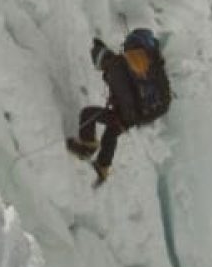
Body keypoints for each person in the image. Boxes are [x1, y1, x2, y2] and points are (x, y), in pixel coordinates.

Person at [67, 31, 170, 187]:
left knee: (88, 114)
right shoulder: (130, 63)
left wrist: (124, 117)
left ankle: (87, 147)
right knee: (111, 132)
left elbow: (125, 93)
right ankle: (102, 167)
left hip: (129, 114)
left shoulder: (115, 68)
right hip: (142, 112)